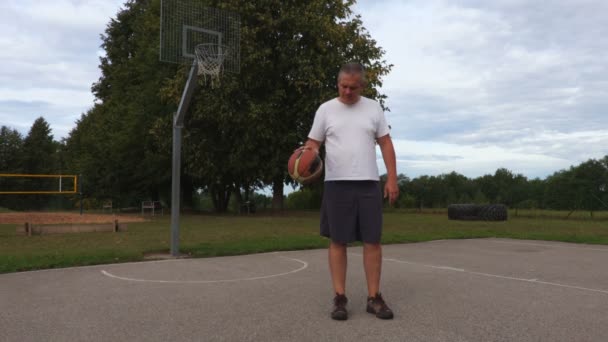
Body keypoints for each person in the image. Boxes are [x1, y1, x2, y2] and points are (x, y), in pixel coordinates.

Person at [303, 62, 399, 320]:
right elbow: (313, 144)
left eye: (353, 87)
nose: (347, 91)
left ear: (362, 86)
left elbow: (386, 144)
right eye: (343, 86)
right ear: (338, 84)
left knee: (372, 241)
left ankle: (374, 298)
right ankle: (339, 298)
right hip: (336, 184)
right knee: (338, 240)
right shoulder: (326, 110)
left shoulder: (373, 108)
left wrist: (391, 178)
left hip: (368, 183)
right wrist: (303, 159)